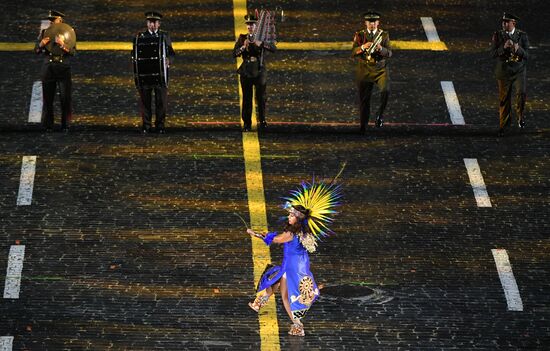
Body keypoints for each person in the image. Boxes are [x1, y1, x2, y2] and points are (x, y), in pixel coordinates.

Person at [246, 180, 342, 337]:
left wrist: (256, 234)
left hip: (291, 268)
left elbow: (276, 239)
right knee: (275, 280)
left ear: (297, 218)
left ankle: (298, 326)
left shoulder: (291, 234)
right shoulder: (302, 232)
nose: (289, 216)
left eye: (291, 215)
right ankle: (259, 303)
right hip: (297, 266)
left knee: (285, 296)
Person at [233, 14, 277, 132]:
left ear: (256, 26)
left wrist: (261, 43)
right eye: (248, 24)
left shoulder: (261, 38)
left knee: (261, 97)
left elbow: (273, 48)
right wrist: (242, 47)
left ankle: (262, 121)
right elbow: (234, 53)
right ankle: (247, 123)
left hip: (259, 70)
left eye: (252, 24)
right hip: (246, 71)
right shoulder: (242, 38)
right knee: (247, 98)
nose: (250, 27)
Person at [34, 10, 76, 133]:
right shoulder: (44, 33)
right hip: (49, 68)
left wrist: (63, 45)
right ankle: (48, 125)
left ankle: (65, 124)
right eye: (51, 20)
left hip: (63, 68)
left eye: (54, 19)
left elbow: (73, 52)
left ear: (60, 20)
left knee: (65, 98)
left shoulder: (68, 32)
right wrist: (41, 44)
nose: (52, 22)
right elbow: (36, 51)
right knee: (48, 98)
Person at [135, 11, 175, 134]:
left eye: (154, 22)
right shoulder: (140, 36)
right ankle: (146, 125)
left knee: (161, 102)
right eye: (150, 22)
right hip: (146, 74)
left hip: (161, 75)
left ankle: (160, 125)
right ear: (147, 23)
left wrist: (169, 60)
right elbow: (135, 53)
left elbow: (171, 52)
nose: (152, 25)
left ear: (159, 24)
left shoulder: (164, 36)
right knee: (145, 101)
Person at [352, 11, 392, 133]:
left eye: (374, 22)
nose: (372, 24)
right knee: (364, 100)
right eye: (370, 22)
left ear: (378, 23)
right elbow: (353, 52)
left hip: (380, 69)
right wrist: (363, 47)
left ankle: (379, 115)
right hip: (364, 70)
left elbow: (389, 53)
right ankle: (363, 127)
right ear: (366, 23)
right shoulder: (360, 35)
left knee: (385, 91)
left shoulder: (384, 35)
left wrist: (381, 49)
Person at [490, 12, 529, 136]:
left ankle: (520, 116)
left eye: (507, 22)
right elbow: (492, 54)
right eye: (503, 22)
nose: (504, 24)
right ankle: (504, 126)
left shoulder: (522, 36)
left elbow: (527, 55)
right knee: (504, 100)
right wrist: (503, 48)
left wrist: (518, 49)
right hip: (504, 72)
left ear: (513, 23)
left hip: (519, 70)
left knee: (521, 93)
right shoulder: (498, 35)